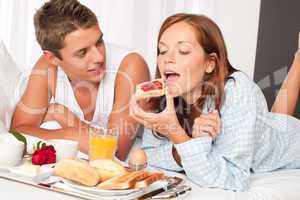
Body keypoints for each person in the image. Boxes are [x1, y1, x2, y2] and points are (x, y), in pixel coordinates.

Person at [130, 13, 300, 191]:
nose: (167, 59)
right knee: (272, 121)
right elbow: (149, 154)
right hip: (269, 128)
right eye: (162, 51)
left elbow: (234, 178)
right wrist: (189, 141)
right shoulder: (164, 98)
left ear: (210, 63)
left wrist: (177, 135)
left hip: (293, 144)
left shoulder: (237, 89)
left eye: (183, 51)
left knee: (276, 129)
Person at [10, 0, 150, 160]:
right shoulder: (47, 68)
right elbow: (18, 134)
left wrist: (63, 117)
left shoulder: (130, 66)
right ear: (52, 58)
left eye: (99, 42)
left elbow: (115, 151)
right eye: (82, 52)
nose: (99, 57)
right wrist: (69, 134)